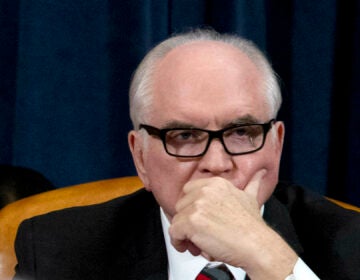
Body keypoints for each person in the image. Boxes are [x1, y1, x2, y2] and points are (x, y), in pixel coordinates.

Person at [14, 29, 360, 280]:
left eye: (241, 132)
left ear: (276, 144)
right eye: (184, 136)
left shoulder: (351, 246)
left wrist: (269, 257)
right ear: (140, 157)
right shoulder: (57, 249)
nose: (216, 163)